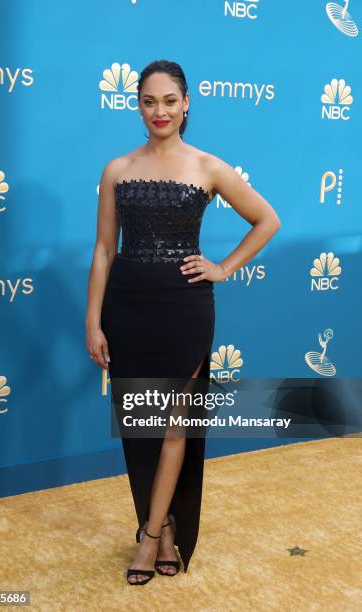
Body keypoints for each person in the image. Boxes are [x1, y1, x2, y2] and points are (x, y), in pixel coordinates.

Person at [85, 59, 281, 585]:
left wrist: (223, 267)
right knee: (139, 428)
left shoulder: (208, 167)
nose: (159, 111)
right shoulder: (117, 170)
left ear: (187, 102)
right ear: (138, 106)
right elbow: (104, 250)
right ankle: (163, 529)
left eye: (169, 100)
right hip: (126, 308)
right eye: (149, 101)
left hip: (185, 310)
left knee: (174, 426)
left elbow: (268, 220)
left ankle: (150, 539)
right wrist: (93, 321)